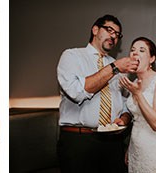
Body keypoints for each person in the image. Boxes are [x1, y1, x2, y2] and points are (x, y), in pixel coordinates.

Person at [55, 14, 139, 173]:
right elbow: (77, 92)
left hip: (112, 141)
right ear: (95, 30)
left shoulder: (116, 66)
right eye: (109, 30)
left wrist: (124, 118)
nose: (113, 36)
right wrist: (113, 68)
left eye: (117, 34)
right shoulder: (72, 56)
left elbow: (124, 103)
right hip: (79, 141)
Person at [119, 37, 156, 172]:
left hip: (154, 151)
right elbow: (137, 120)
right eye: (132, 50)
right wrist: (130, 148)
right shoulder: (134, 83)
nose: (135, 53)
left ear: (152, 59)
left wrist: (137, 94)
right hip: (135, 150)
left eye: (141, 50)